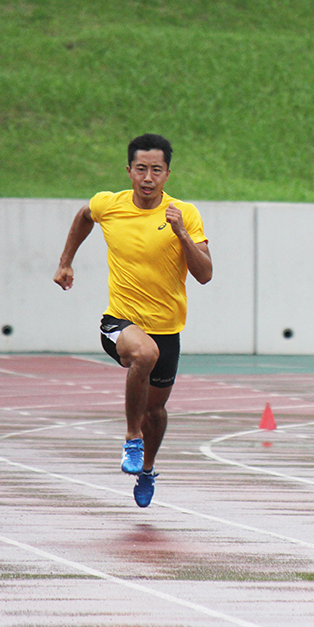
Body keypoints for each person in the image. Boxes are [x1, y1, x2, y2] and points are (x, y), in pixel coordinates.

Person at [54, 133, 212, 507]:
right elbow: (83, 217)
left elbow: (204, 274)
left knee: (155, 411)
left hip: (167, 328)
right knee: (143, 354)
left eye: (156, 170)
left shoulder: (184, 213)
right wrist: (65, 262)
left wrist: (183, 235)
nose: (147, 177)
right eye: (141, 169)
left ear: (167, 174)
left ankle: (147, 468)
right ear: (128, 171)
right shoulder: (109, 205)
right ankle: (131, 439)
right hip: (120, 322)